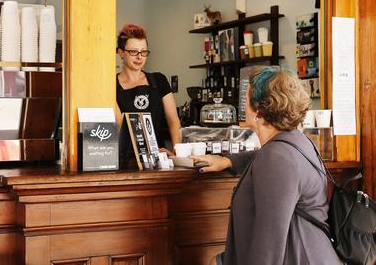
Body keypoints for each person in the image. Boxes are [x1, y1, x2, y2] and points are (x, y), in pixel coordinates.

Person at [192, 67, 341, 265]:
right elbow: (268, 157)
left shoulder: (277, 157)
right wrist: (229, 161)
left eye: (246, 99)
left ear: (259, 112)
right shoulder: (296, 142)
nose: (243, 105)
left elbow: (268, 245)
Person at [115, 23, 181, 168]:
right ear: (120, 52)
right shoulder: (111, 86)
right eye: (133, 52)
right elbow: (119, 127)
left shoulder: (159, 80)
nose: (139, 57)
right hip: (126, 162)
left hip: (158, 160)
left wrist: (176, 152)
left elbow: (173, 120)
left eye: (144, 52)